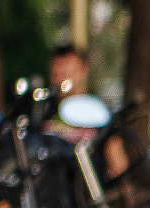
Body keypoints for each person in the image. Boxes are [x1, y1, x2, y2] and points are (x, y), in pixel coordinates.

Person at [46, 44, 130, 181]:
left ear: (83, 71)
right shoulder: (43, 114)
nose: (61, 81)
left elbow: (118, 165)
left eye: (67, 74)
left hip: (88, 195)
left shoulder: (99, 113)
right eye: (56, 75)